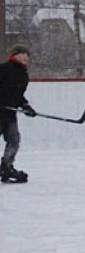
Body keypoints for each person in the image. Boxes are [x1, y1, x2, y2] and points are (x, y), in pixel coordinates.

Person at [0, 44, 36, 183]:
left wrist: (26, 106)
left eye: (27, 54)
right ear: (14, 55)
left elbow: (18, 95)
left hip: (10, 114)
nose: (26, 56)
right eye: (23, 53)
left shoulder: (23, 75)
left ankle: (6, 167)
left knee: (14, 140)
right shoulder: (3, 69)